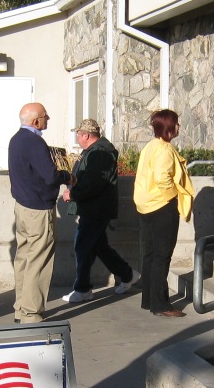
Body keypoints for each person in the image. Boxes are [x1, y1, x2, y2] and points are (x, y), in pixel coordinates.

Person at [61, 118, 138, 303]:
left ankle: (83, 289)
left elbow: (93, 183)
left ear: (86, 135)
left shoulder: (100, 154)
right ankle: (127, 275)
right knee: (98, 246)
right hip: (94, 207)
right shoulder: (95, 152)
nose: (77, 137)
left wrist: (73, 194)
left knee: (83, 246)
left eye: (78, 134)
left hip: (95, 208)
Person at [8, 102, 73, 323]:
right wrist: (67, 176)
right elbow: (50, 176)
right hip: (37, 208)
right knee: (39, 260)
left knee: (24, 258)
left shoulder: (16, 140)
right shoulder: (34, 142)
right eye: (45, 116)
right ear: (36, 121)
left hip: (22, 206)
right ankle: (31, 312)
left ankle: (21, 308)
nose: (49, 119)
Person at [133, 109, 195, 317]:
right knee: (162, 256)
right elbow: (162, 178)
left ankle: (150, 300)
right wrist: (172, 196)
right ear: (169, 127)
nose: (179, 127)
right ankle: (161, 305)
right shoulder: (164, 150)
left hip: (146, 205)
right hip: (161, 206)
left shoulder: (151, 146)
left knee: (150, 255)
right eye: (176, 123)